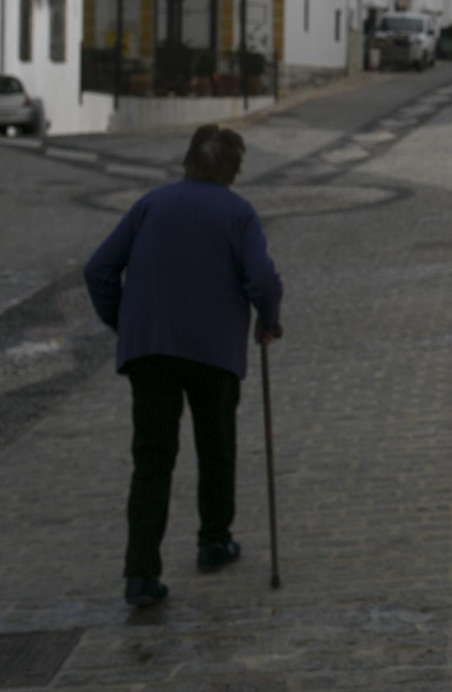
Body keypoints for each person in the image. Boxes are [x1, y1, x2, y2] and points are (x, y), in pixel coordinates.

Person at [84, 124, 284, 607]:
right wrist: (269, 322)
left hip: (149, 352)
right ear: (233, 172)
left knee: (151, 461)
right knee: (216, 447)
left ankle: (140, 575)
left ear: (187, 163)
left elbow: (98, 269)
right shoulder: (238, 213)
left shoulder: (150, 205)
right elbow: (263, 279)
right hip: (212, 352)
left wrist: (127, 323)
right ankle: (213, 542)